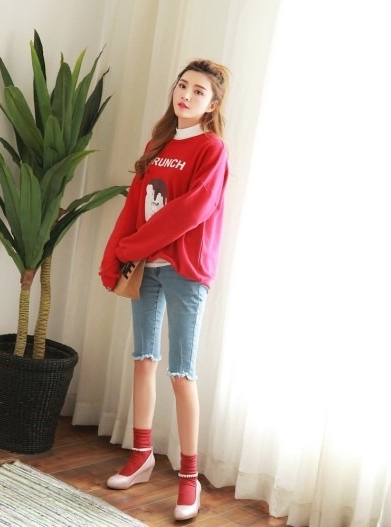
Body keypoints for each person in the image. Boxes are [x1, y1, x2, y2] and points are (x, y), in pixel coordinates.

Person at [99, 58, 230, 521]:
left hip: (185, 270)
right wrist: (114, 254)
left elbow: (191, 211)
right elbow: (135, 204)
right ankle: (141, 456)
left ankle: (189, 478)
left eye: (198, 91)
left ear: (212, 105)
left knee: (181, 373)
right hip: (145, 267)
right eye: (182, 85)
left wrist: (133, 245)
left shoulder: (212, 149)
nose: (186, 95)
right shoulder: (159, 143)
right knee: (143, 360)